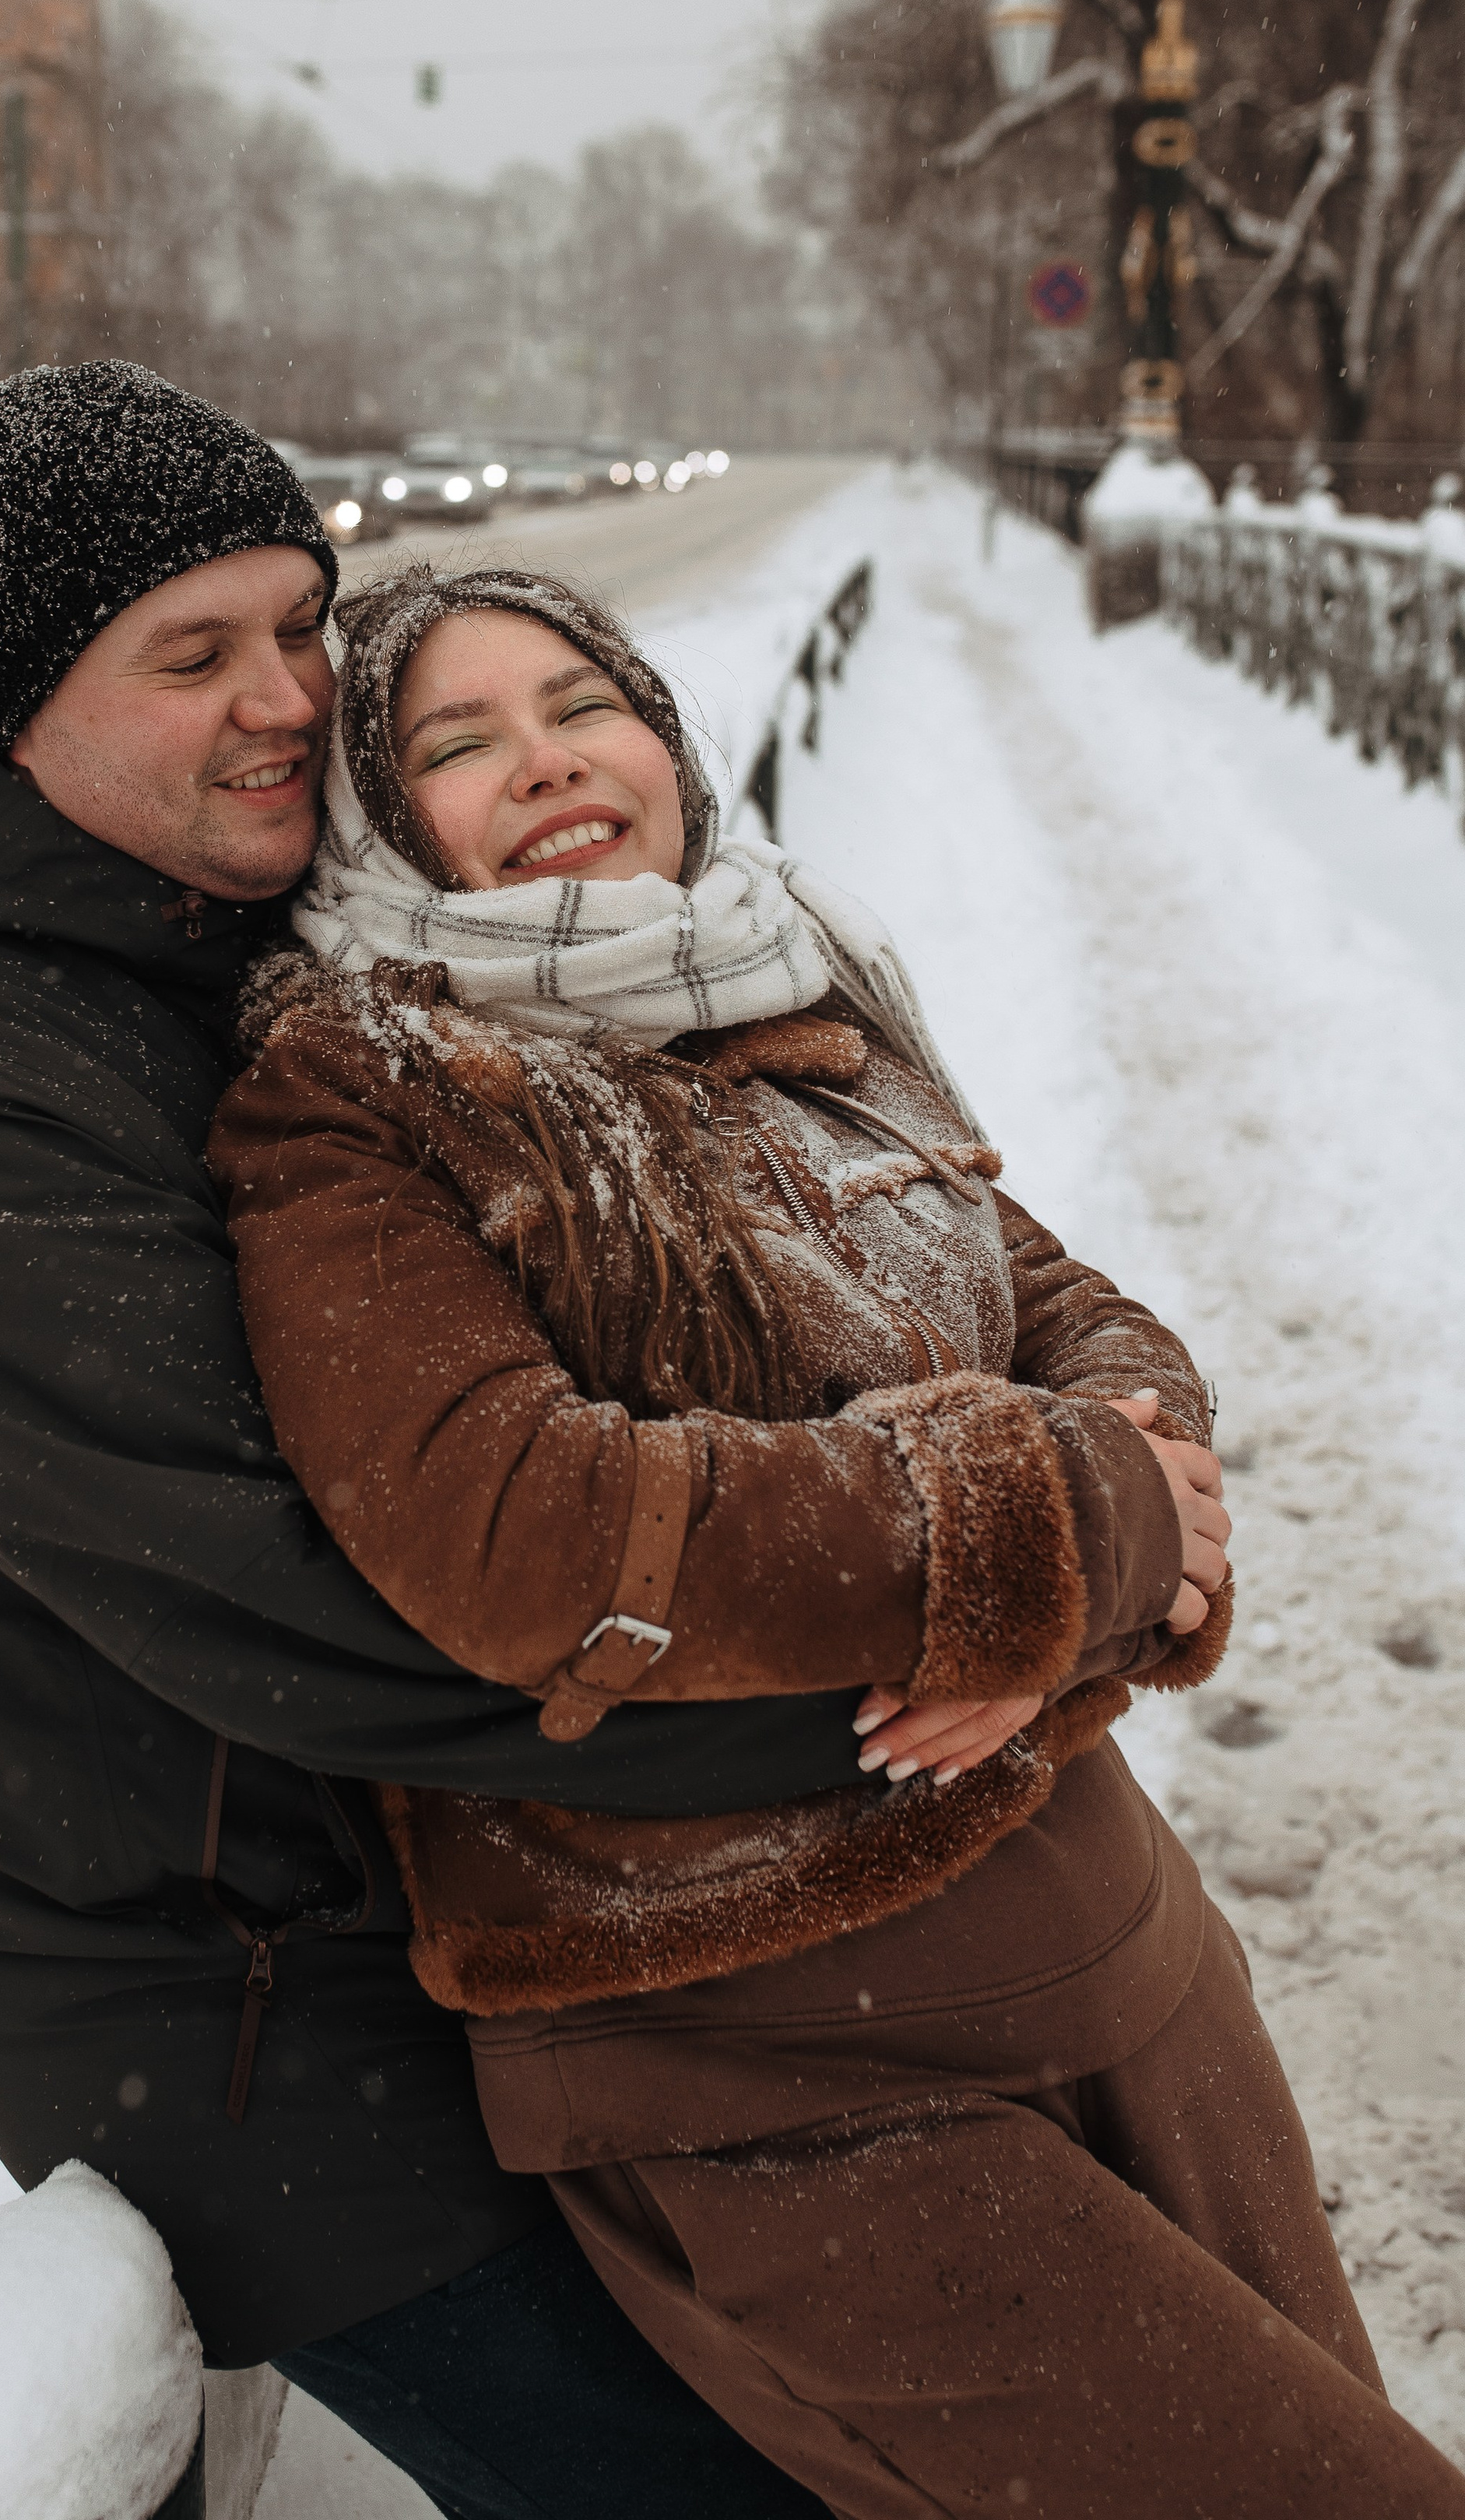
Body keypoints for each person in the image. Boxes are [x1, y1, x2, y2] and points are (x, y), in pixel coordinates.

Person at [207, 557, 1465, 2518]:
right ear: (381, 824)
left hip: (1108, 1934)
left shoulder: (784, 976)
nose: (544, 761)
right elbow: (519, 1531)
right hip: (764, 2053)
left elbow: (1064, 1310)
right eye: (454, 742)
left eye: (580, 701)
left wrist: (1098, 1533)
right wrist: (1041, 1530)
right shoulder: (360, 1097)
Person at [0, 363, 859, 2520]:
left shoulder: (199, 942)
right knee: (747, 2479)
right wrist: (897, 1689)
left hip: (447, 1892)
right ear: (14, 701)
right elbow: (329, 1605)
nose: (286, 698)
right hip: (259, 2041)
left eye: (299, 625)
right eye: (195, 651)